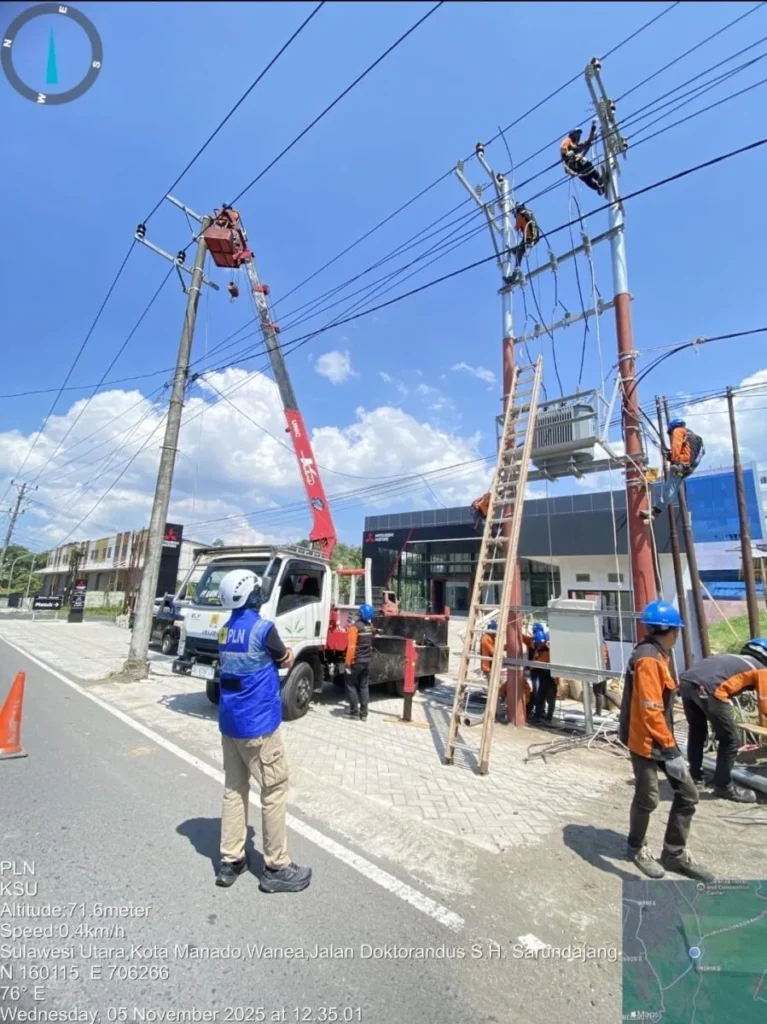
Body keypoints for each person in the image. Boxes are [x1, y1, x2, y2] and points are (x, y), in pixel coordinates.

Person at [215, 569, 312, 894]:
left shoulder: (225, 631)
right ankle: (277, 866)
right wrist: (287, 655)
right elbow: (284, 659)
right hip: (258, 726)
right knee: (274, 790)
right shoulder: (264, 629)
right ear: (253, 595)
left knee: (234, 789)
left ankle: (231, 860)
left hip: (229, 724)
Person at [619, 600, 713, 881]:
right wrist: (671, 750)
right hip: (646, 742)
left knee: (688, 795)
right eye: (677, 631)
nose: (678, 635)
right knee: (647, 799)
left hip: (659, 738)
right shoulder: (648, 658)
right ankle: (635, 847)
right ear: (670, 630)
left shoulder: (659, 654)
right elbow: (650, 709)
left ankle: (673, 855)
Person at [679, 638, 767, 804]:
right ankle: (723, 786)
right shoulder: (761, 669)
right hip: (711, 688)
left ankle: (695, 776)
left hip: (687, 682)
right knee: (731, 740)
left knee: (697, 732)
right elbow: (765, 703)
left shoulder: (733, 659)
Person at [645, 419, 705, 520]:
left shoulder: (678, 431)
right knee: (672, 489)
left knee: (668, 488)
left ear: (672, 428)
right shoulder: (696, 438)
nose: (672, 436)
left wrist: (672, 458)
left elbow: (676, 447)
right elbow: (699, 454)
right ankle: (657, 511)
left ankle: (656, 511)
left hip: (681, 465)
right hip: (688, 468)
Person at [345, 602, 376, 721]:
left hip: (356, 661)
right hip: (366, 661)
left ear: (361, 613)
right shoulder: (369, 626)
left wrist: (348, 663)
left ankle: (354, 712)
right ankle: (364, 714)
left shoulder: (355, 627)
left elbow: (352, 646)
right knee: (364, 686)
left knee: (350, 684)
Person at [560, 122, 605, 196]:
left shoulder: (577, 145)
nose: (578, 137)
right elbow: (563, 147)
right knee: (588, 166)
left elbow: (588, 141)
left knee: (587, 177)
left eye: (579, 135)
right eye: (577, 134)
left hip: (576, 166)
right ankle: (599, 180)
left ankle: (599, 187)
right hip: (572, 163)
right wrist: (567, 153)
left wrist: (593, 129)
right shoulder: (568, 140)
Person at [525, 622, 557, 723]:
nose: (538, 645)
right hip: (539, 673)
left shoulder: (549, 649)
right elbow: (525, 639)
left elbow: (546, 660)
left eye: (539, 643)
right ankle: (538, 715)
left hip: (549, 675)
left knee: (549, 698)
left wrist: (534, 663)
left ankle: (547, 717)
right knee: (539, 694)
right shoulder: (534, 642)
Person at [593, 640, 621, 716]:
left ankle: (598, 714)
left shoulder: (598, 643)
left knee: (598, 691)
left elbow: (601, 657)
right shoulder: (602, 642)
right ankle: (622, 706)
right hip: (604, 668)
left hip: (600, 669)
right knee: (604, 691)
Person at [510, 204, 541, 273]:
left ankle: (516, 272)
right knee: (519, 248)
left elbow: (516, 228)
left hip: (529, 238)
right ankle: (514, 251)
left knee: (520, 251)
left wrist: (515, 217)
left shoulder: (520, 215)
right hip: (535, 236)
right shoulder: (528, 213)